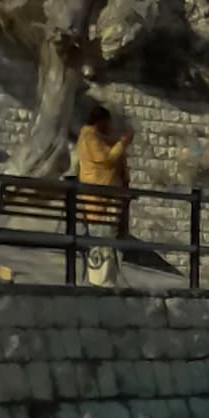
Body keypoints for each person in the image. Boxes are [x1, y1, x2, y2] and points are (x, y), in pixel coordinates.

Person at [70, 102, 134, 285]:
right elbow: (105, 160)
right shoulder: (89, 137)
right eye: (108, 123)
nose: (111, 127)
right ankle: (100, 280)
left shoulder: (98, 137)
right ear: (100, 122)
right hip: (99, 199)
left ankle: (107, 278)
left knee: (109, 239)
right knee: (101, 240)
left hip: (110, 198)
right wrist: (123, 143)